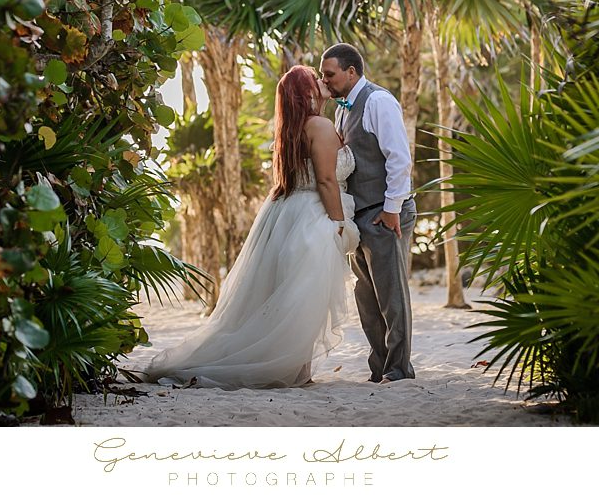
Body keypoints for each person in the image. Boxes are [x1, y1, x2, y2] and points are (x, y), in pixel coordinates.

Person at [139, 65, 359, 389]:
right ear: (307, 91)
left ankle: (298, 370)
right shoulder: (321, 126)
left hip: (285, 213)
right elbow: (326, 180)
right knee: (304, 296)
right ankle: (297, 371)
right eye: (316, 79)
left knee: (290, 294)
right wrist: (339, 224)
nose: (322, 81)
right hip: (312, 214)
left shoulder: (292, 129)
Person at [319, 42, 416, 383]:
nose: (325, 80)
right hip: (358, 218)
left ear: (351, 71)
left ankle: (399, 369)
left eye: (329, 74)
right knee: (367, 298)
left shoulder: (378, 101)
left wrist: (392, 210)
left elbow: (399, 159)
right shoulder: (341, 109)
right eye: (322, 75)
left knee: (391, 296)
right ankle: (380, 368)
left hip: (385, 213)